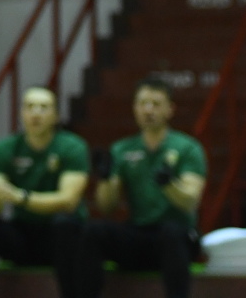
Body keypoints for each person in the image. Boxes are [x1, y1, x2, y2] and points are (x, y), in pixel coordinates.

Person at [81, 79, 206, 298]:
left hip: (177, 236)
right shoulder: (122, 149)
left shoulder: (187, 148)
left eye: (156, 104)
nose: (148, 110)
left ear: (170, 109)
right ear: (134, 108)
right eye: (143, 103)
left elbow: (190, 201)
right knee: (93, 231)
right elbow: (106, 206)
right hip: (139, 233)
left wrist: (168, 184)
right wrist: (105, 178)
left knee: (171, 233)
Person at [0, 87, 87, 298]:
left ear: (56, 116)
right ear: (22, 113)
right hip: (23, 233)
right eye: (30, 107)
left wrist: (19, 196)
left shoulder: (72, 147)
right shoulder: (5, 148)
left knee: (64, 224)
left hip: (59, 236)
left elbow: (68, 201)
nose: (36, 113)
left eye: (43, 107)